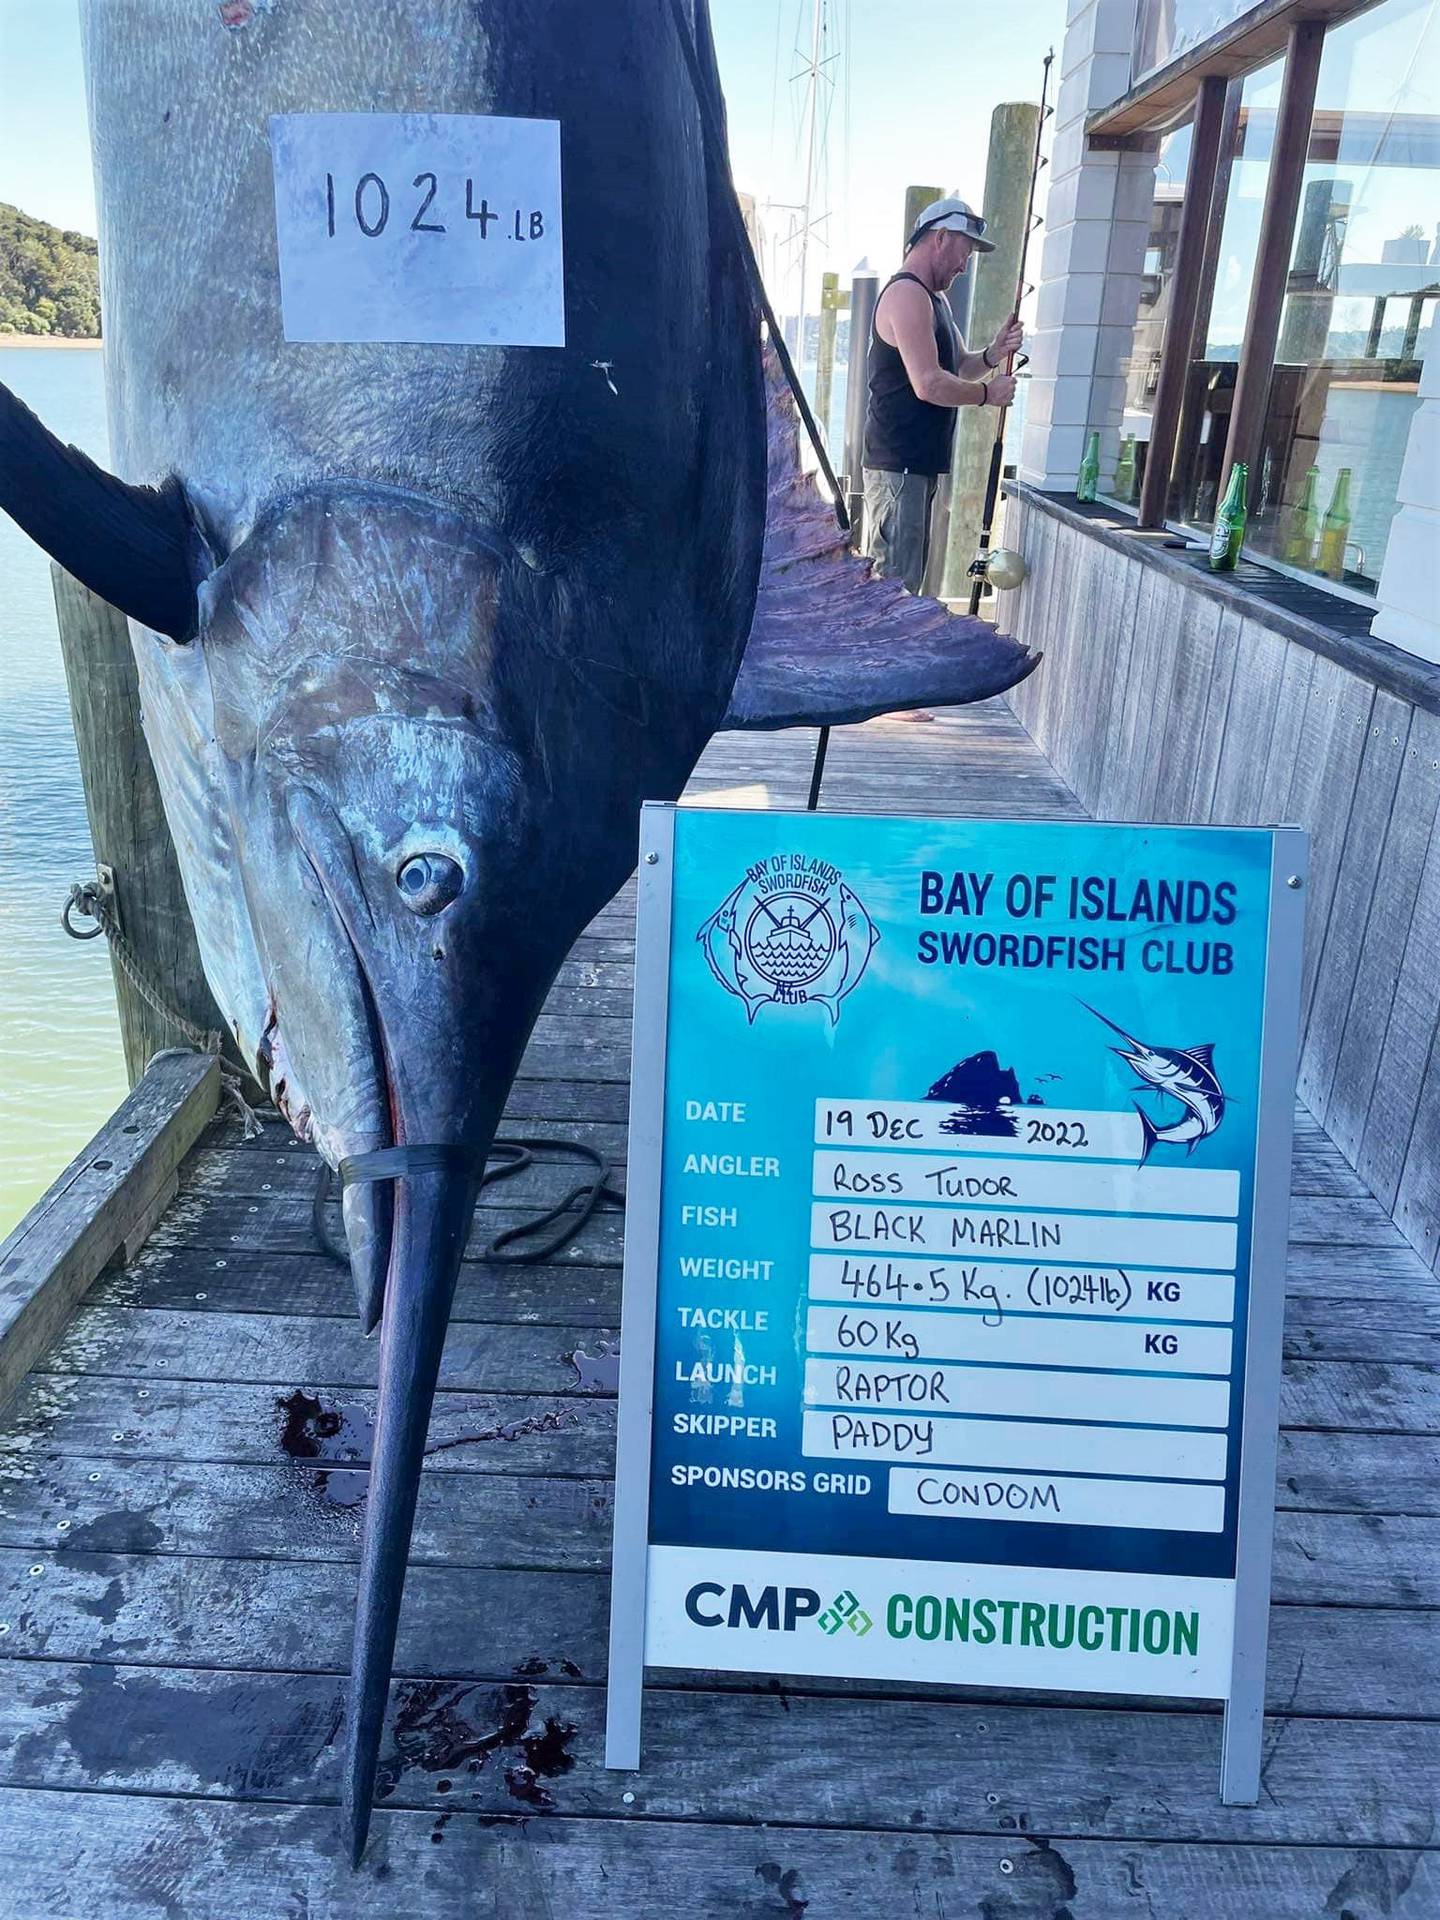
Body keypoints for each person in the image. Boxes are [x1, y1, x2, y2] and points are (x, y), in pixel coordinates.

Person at [862, 196, 1023, 597]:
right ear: (940, 237)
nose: (964, 265)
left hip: (916, 469)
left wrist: (993, 354)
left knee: (906, 588)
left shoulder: (936, 300)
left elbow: (959, 367)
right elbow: (929, 384)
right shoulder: (907, 295)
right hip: (898, 470)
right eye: (964, 251)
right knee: (894, 594)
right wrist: (987, 394)